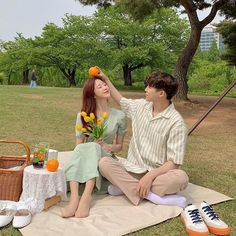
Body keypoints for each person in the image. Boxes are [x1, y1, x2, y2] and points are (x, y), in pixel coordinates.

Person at [98, 71, 189, 208]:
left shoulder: (177, 123)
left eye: (149, 87)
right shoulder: (141, 106)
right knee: (104, 163)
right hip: (132, 170)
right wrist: (105, 78)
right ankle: (152, 196)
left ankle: (125, 187)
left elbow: (174, 163)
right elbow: (121, 100)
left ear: (161, 94)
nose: (145, 89)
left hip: (158, 176)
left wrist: (150, 176)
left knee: (180, 178)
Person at [63, 77, 127, 218]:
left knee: (92, 146)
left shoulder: (119, 116)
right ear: (92, 94)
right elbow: (78, 146)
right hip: (86, 155)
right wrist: (93, 146)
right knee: (87, 147)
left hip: (106, 158)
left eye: (105, 84)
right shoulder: (82, 116)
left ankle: (86, 197)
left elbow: (119, 147)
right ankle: (74, 198)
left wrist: (106, 146)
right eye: (100, 86)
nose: (105, 87)